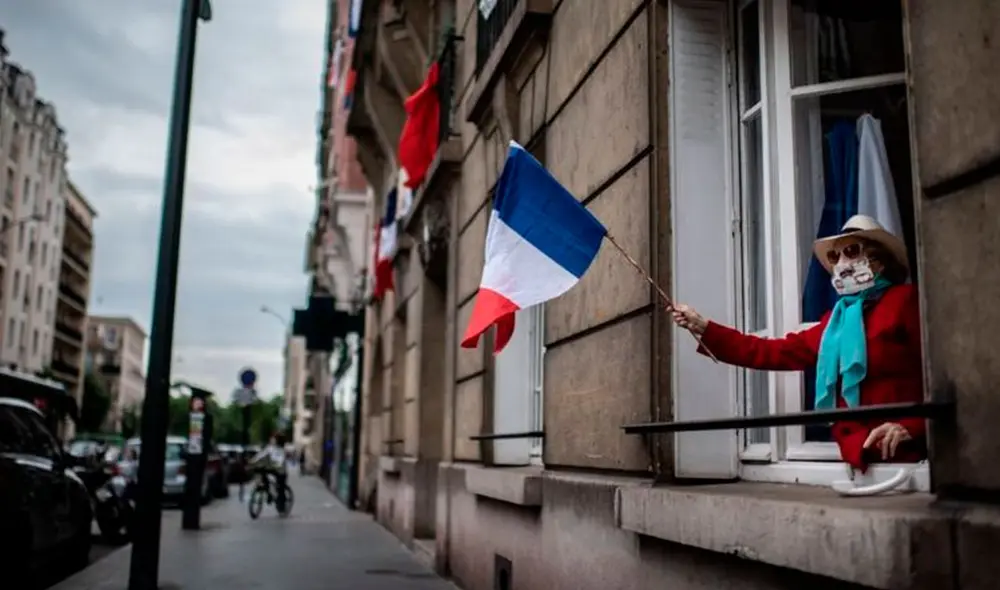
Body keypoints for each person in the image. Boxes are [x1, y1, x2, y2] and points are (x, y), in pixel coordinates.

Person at [671, 215, 925, 472]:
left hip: (908, 456)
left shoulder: (904, 302)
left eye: (850, 251)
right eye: (834, 257)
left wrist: (911, 426)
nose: (841, 263)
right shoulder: (833, 324)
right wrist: (704, 328)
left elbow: (939, 374)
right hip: (859, 457)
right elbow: (770, 351)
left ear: (878, 262)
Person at [249, 433, 289, 510]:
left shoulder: (281, 450)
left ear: (277, 441)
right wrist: (252, 462)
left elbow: (279, 460)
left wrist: (276, 465)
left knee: (280, 488)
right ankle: (267, 491)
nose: (271, 440)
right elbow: (261, 455)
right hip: (272, 469)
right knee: (262, 473)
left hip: (281, 471)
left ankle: (281, 504)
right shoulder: (269, 448)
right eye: (272, 438)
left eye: (273, 439)